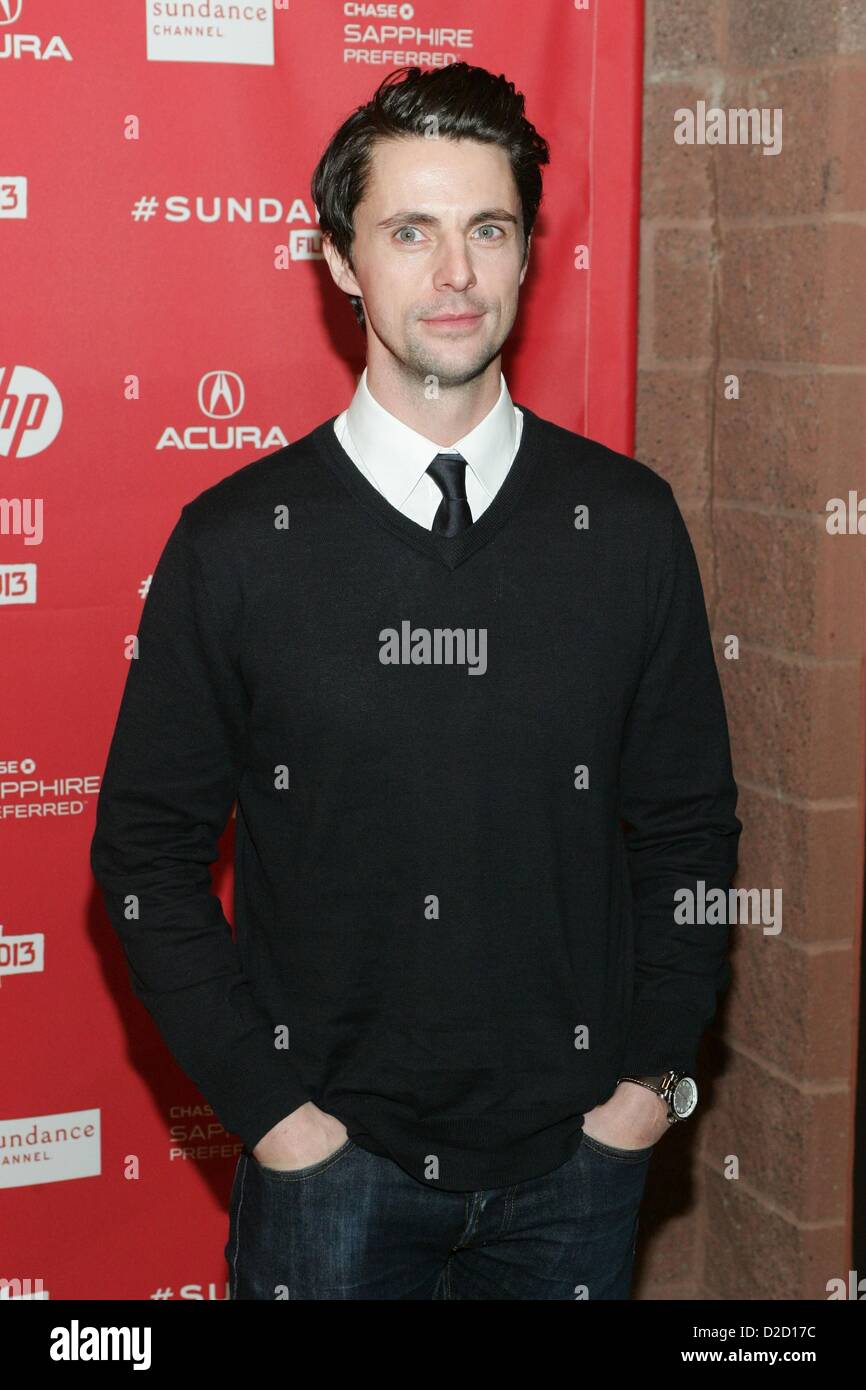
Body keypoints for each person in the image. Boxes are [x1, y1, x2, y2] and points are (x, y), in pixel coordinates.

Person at [90, 62, 742, 1300]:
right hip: (329, 1176)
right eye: (409, 232)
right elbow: (143, 858)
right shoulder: (235, 544)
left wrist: (650, 1086)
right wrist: (275, 1117)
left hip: (579, 1169)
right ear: (341, 261)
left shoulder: (629, 523)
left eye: (486, 229)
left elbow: (688, 831)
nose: (454, 274)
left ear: (525, 255)